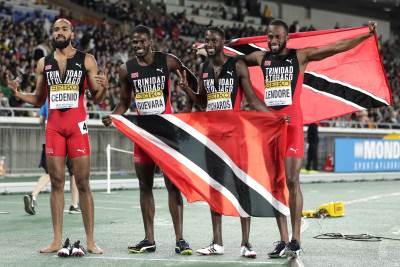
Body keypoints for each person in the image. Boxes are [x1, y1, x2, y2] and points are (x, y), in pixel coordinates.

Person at [240, 19, 377, 257]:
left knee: (292, 181)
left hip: (292, 125)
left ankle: (296, 239)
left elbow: (337, 47)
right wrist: (209, 50)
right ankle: (283, 240)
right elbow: (236, 60)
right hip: (270, 127)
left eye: (277, 37)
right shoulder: (262, 58)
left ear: (287, 38)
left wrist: (365, 35)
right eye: (269, 37)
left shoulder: (300, 56)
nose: (272, 41)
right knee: (275, 185)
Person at [7, 18, 107, 255]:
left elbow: (97, 97)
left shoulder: (87, 59)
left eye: (64, 29)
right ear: (52, 34)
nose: (59, 33)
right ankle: (56, 240)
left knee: (83, 183)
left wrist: (104, 85)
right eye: (55, 30)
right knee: (57, 183)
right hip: (54, 128)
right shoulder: (44, 63)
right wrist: (18, 93)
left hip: (77, 127)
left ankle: (91, 241)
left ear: (72, 33)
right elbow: (40, 99)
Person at [102, 25, 197, 255]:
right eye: (134, 43)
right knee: (145, 186)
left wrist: (187, 107)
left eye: (141, 42)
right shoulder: (127, 70)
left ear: (150, 42)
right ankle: (149, 239)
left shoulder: (168, 61)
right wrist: (114, 116)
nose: (138, 46)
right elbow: (124, 102)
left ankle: (180, 239)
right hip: (143, 134)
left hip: (167, 134)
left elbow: (193, 83)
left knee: (172, 187)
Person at [177, 26, 269, 258]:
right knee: (215, 188)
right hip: (212, 136)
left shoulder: (237, 65)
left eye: (213, 40)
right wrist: (188, 88)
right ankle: (217, 243)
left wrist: (274, 116)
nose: (209, 43)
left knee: (241, 187)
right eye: (206, 39)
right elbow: (202, 102)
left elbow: (251, 99)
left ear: (222, 42)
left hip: (235, 136)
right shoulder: (204, 68)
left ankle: (246, 243)